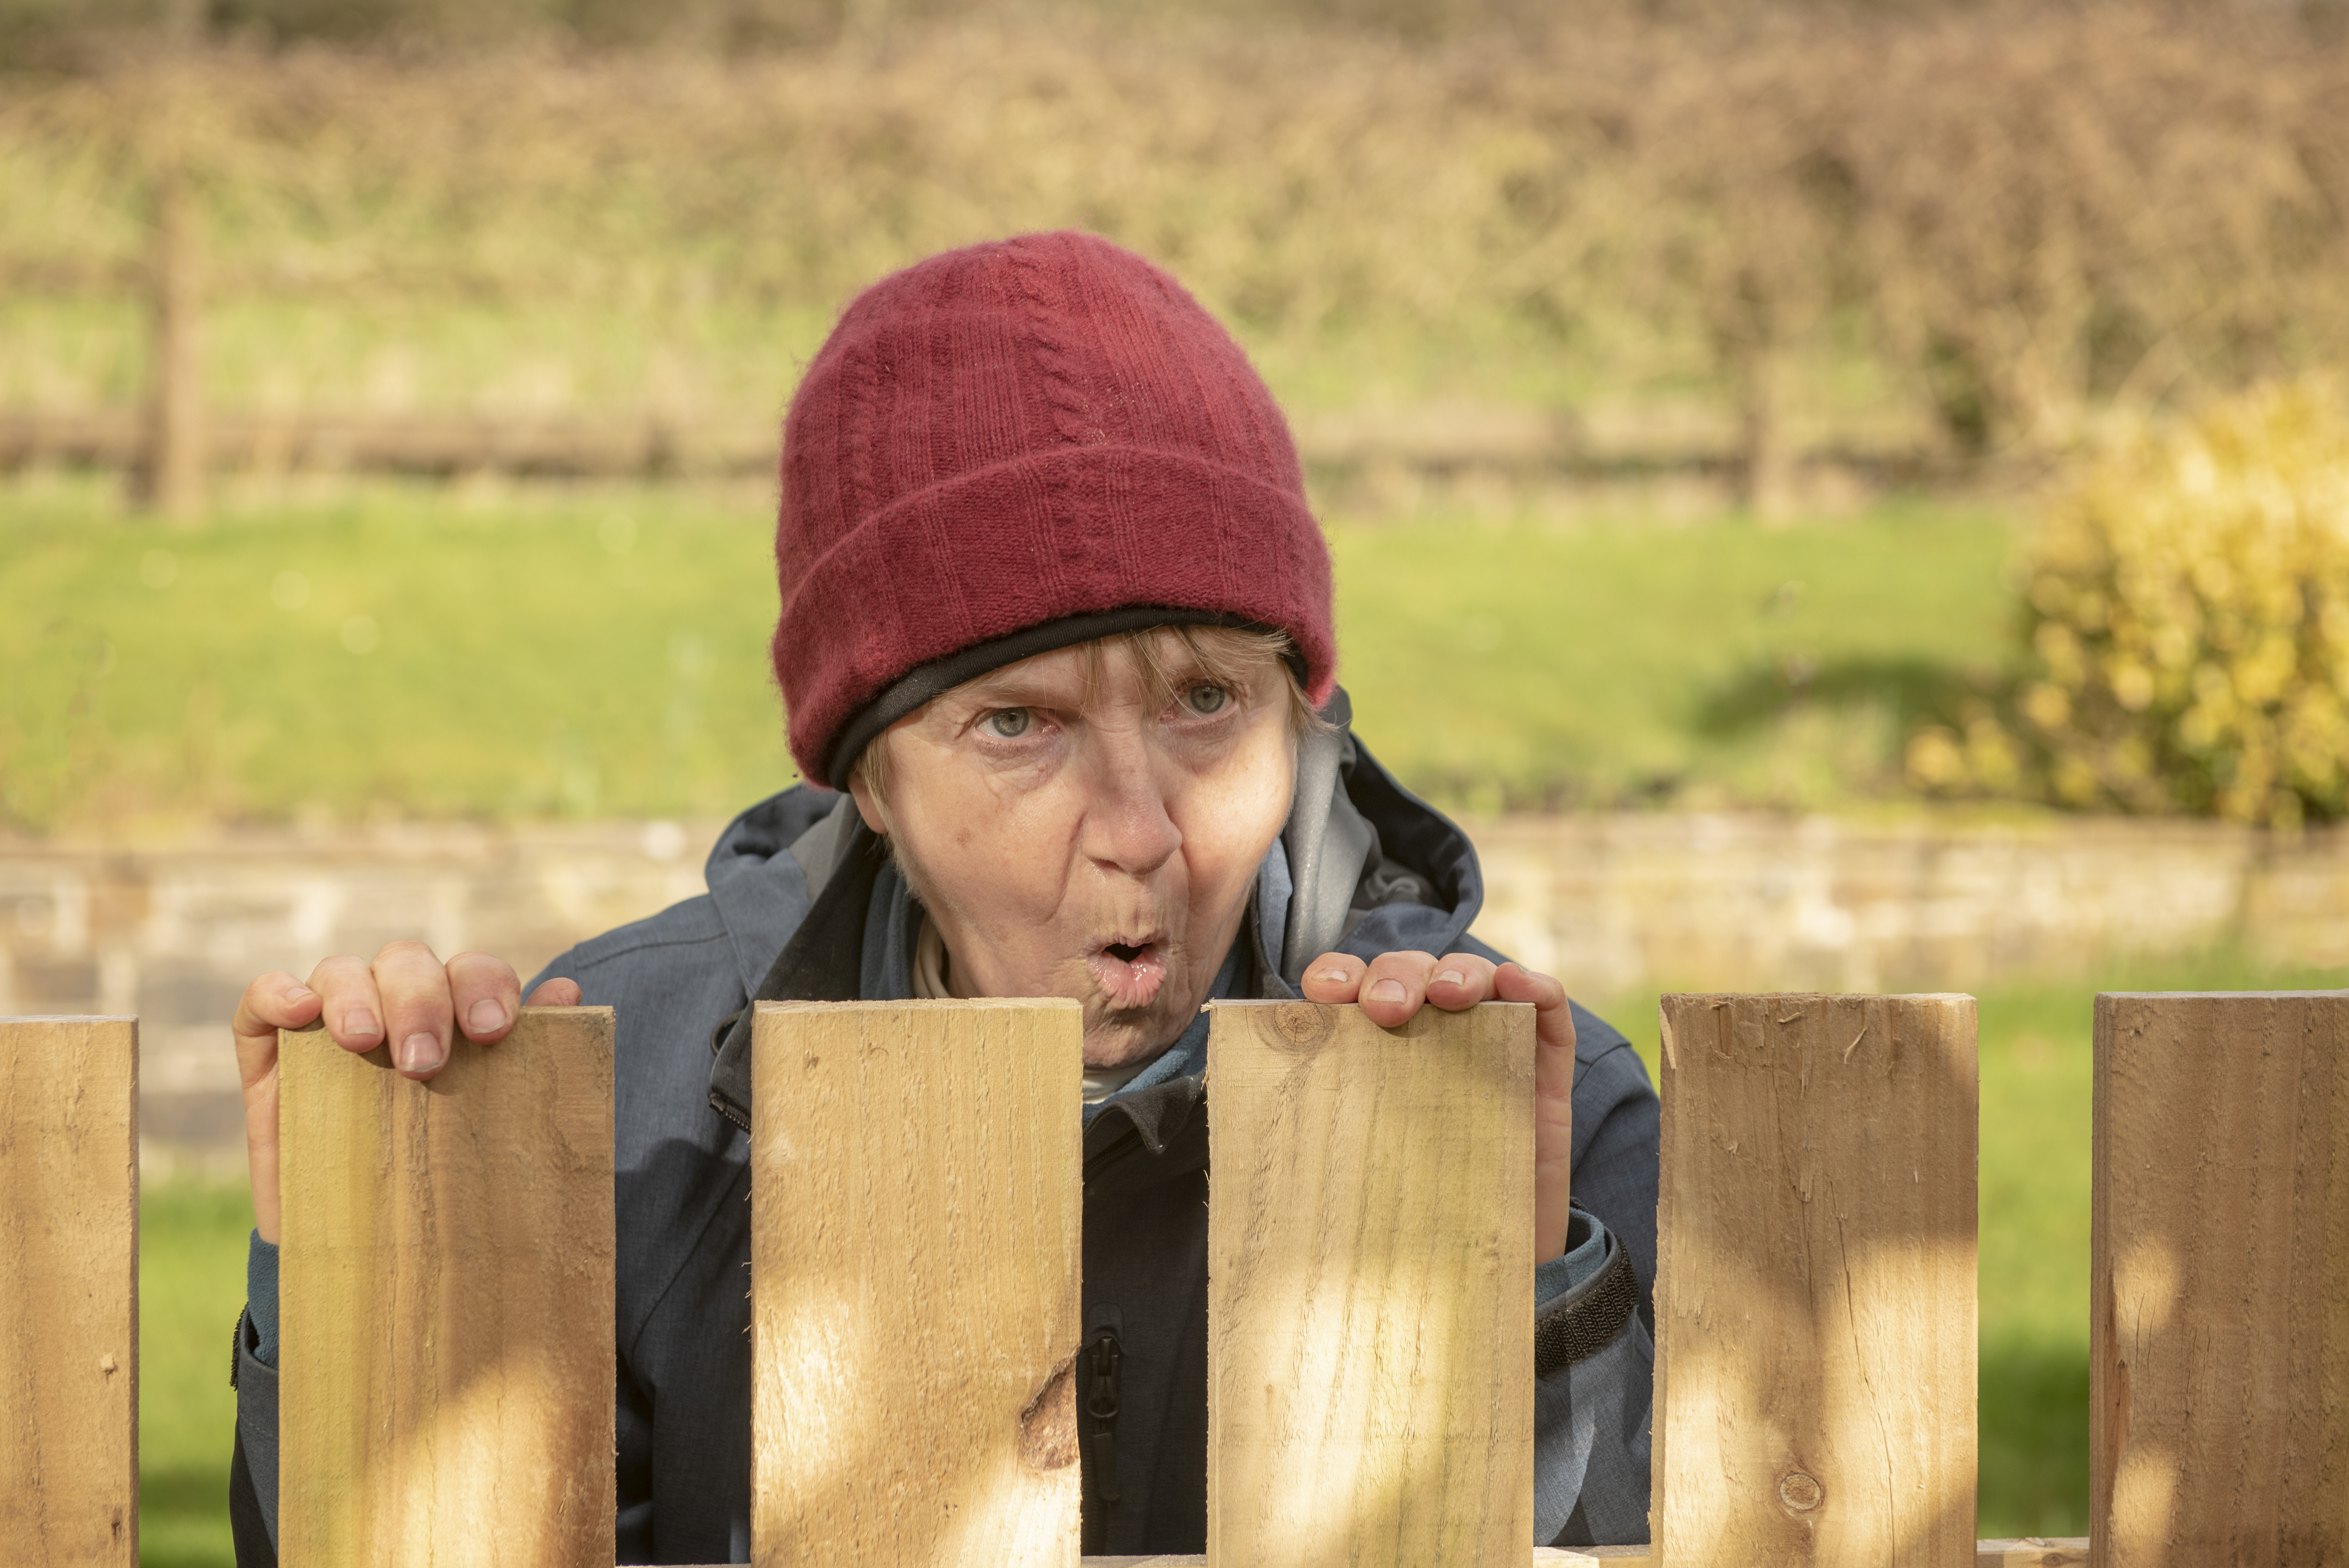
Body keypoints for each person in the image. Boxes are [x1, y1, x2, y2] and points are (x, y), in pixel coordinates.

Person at [222, 230, 1660, 1565]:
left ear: (1303, 722)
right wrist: (353, 1295)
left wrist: (1540, 1313)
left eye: (1207, 700)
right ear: (867, 781)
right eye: (1015, 727)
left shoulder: (1542, 1111)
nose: (1139, 831)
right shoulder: (616, 1094)